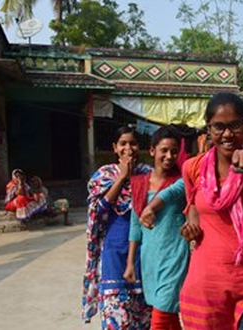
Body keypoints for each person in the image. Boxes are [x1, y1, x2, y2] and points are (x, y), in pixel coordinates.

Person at [142, 92, 243, 330]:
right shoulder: (193, 167)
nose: (227, 134)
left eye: (234, 126)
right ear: (208, 129)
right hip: (206, 282)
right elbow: (193, 206)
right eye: (219, 127)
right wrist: (192, 226)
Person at [82, 126, 152, 330]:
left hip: (143, 255)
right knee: (116, 320)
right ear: (115, 147)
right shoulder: (104, 175)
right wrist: (122, 177)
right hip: (113, 255)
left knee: (143, 320)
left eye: (133, 143)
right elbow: (98, 211)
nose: (128, 148)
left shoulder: (148, 176)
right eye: (123, 143)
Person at [124, 125, 190, 330]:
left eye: (174, 151)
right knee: (168, 318)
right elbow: (136, 226)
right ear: (152, 151)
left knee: (161, 317)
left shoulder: (182, 181)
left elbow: (171, 195)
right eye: (164, 150)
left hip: (175, 255)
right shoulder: (138, 183)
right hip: (150, 259)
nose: (169, 156)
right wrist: (130, 263)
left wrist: (151, 207)